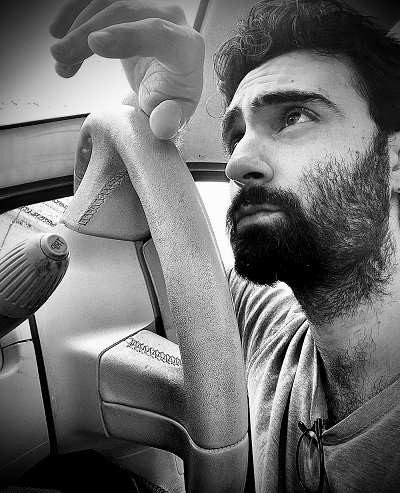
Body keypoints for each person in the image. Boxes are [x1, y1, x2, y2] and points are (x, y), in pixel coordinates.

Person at [50, 0, 400, 491]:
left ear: (394, 159)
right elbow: (161, 259)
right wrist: (147, 116)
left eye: (294, 116)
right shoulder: (266, 325)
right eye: (235, 136)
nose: (236, 163)